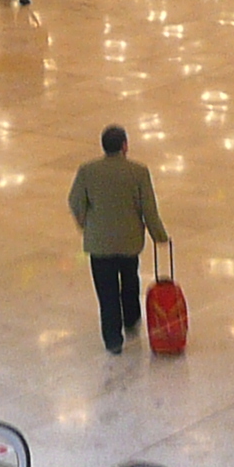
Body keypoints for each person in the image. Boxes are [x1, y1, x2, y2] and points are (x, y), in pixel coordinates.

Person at [67, 124, 168, 354]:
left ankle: (113, 339)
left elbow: (74, 202)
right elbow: (149, 209)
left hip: (99, 244)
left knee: (106, 291)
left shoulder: (87, 171)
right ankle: (131, 319)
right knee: (130, 280)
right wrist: (159, 236)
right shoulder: (138, 171)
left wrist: (87, 225)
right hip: (129, 241)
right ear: (125, 145)